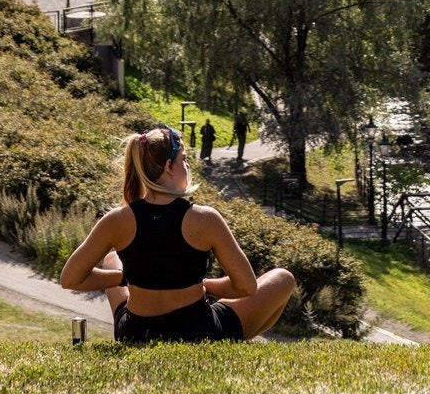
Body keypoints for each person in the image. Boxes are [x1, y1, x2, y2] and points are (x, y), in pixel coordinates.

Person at [60, 125, 296, 344]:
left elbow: (70, 279)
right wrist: (203, 285)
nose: (188, 166)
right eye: (183, 159)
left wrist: (127, 278)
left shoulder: (117, 219)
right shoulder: (205, 219)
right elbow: (246, 287)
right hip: (197, 331)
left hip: (135, 332)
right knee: (283, 278)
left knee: (112, 258)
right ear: (168, 167)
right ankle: (234, 342)